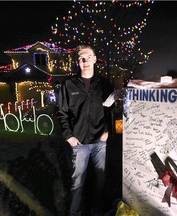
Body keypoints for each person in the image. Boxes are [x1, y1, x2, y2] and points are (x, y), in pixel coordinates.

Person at [58, 44, 114, 216]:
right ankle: (74, 213)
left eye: (89, 57)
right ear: (78, 62)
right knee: (77, 183)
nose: (85, 61)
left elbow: (110, 110)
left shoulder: (104, 84)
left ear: (95, 59)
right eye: (82, 58)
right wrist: (69, 136)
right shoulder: (68, 84)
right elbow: (61, 112)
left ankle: (97, 212)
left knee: (99, 182)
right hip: (79, 142)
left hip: (99, 142)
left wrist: (108, 131)